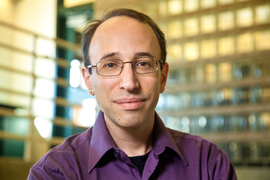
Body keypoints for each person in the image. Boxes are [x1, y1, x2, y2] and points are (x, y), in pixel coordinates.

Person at [28, 8, 237, 180]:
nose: (129, 83)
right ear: (88, 79)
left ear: (163, 77)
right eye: (110, 65)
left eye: (143, 63)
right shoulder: (54, 173)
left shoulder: (209, 164)